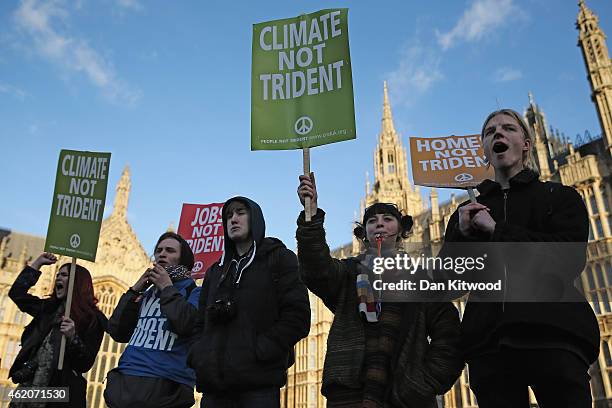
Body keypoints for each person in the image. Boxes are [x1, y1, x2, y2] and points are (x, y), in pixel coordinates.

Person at [441, 108, 600, 407]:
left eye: (508, 128)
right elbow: (448, 284)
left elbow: (566, 260)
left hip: (554, 337)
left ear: (527, 143)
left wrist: (496, 231)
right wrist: (463, 237)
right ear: (483, 150)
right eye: (490, 132)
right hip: (489, 348)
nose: (498, 133)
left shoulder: (559, 197)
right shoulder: (464, 215)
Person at [296, 174, 463, 408]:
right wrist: (310, 216)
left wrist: (424, 382)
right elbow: (316, 269)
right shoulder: (348, 274)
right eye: (372, 220)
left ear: (402, 230)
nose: (380, 223)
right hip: (350, 393)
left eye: (388, 219)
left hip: (405, 394)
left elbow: (449, 335)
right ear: (363, 233)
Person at [188, 196, 310, 408]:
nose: (233, 219)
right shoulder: (215, 272)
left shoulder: (280, 258)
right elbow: (200, 323)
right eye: (228, 215)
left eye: (240, 213)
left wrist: (260, 350)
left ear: (255, 218)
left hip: (258, 386)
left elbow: (298, 317)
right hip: (214, 388)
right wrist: (200, 355)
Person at [104, 232, 201, 408]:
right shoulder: (145, 294)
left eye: (170, 250)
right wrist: (134, 291)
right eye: (158, 250)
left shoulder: (195, 293)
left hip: (165, 387)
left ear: (183, 258)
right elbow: (117, 331)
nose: (162, 254)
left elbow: (187, 324)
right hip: (126, 384)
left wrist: (167, 288)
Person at [8, 252, 107, 408]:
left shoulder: (94, 319)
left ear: (77, 283)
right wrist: (37, 264)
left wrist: (73, 337)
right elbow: (17, 294)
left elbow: (85, 363)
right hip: (29, 386)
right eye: (58, 275)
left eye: (65, 275)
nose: (58, 278)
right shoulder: (48, 309)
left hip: (62, 390)